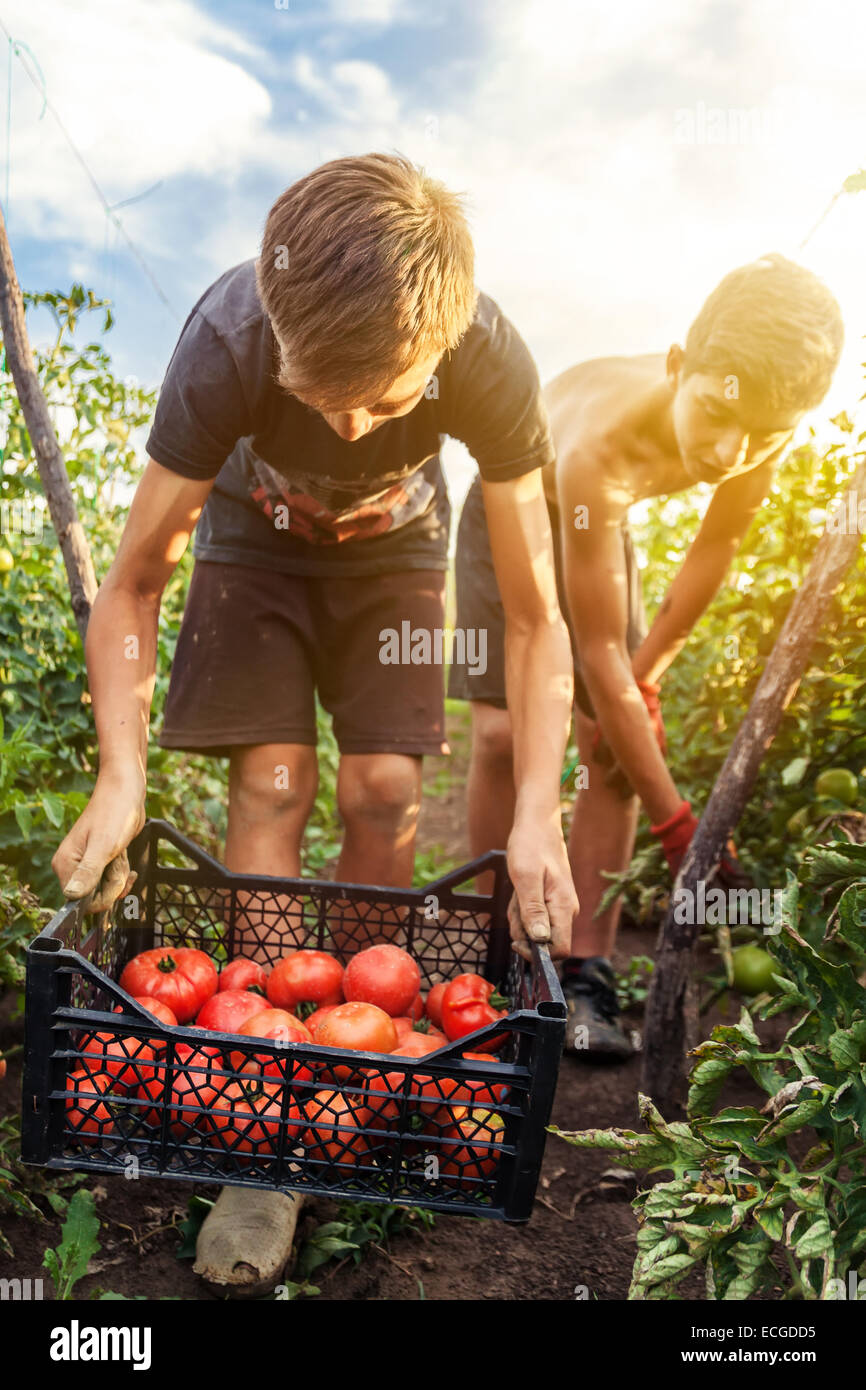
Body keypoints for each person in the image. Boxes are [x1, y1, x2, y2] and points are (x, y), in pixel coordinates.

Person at [51, 153, 577, 1289]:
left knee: (382, 786)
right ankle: (264, 1124)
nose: (343, 425)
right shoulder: (226, 342)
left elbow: (535, 618)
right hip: (251, 544)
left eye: (383, 402)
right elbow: (137, 580)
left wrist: (537, 810)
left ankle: (355, 1042)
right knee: (275, 779)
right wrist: (119, 773)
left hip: (393, 552)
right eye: (312, 394)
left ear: (439, 351)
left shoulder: (488, 363)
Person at [450, 253, 844, 1059]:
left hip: (605, 530)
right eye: (716, 414)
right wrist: (680, 828)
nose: (733, 450)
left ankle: (588, 968)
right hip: (518, 504)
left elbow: (716, 545)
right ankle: (497, 953)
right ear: (678, 367)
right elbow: (592, 651)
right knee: (502, 734)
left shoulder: (761, 423)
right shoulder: (602, 443)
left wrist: (650, 670)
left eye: (762, 436)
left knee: (613, 754)